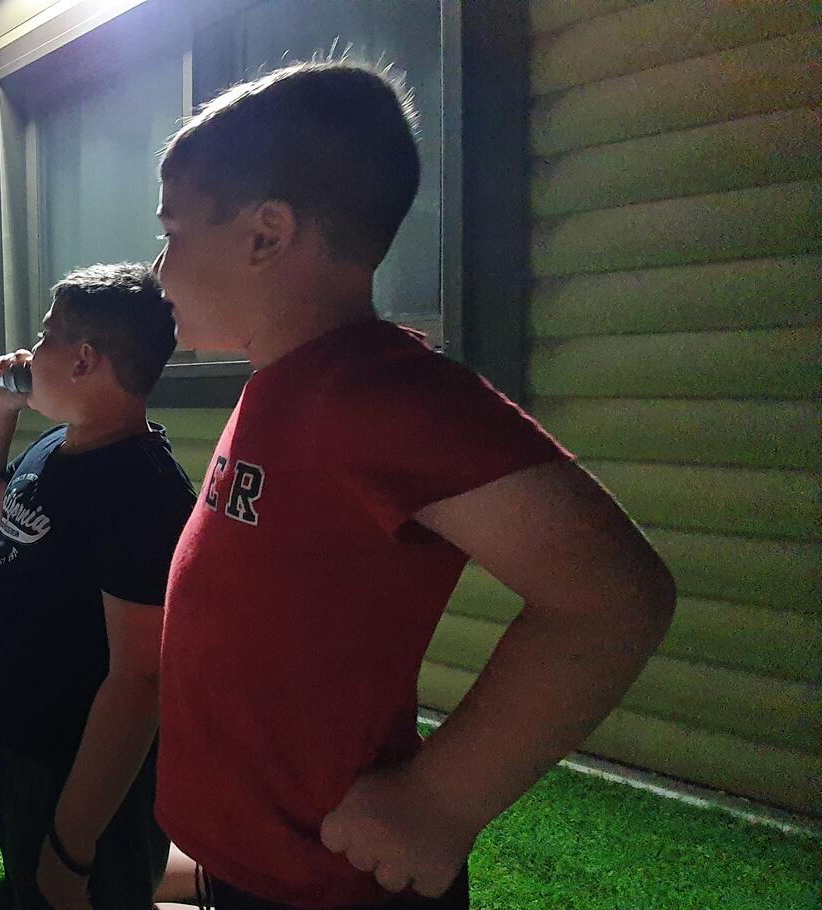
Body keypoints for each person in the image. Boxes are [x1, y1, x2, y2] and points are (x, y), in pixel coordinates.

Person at [149, 61, 676, 908]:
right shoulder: (279, 380)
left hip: (329, 884)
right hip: (251, 863)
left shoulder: (379, 395)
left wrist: (441, 800)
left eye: (174, 232)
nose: (159, 268)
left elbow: (617, 595)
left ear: (266, 236)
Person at [0, 262, 196, 909]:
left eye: (46, 335)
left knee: (93, 891)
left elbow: (137, 683)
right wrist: (0, 406)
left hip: (79, 773)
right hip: (20, 743)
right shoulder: (58, 447)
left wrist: (72, 843)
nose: (31, 351)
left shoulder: (141, 491)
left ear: (84, 359)